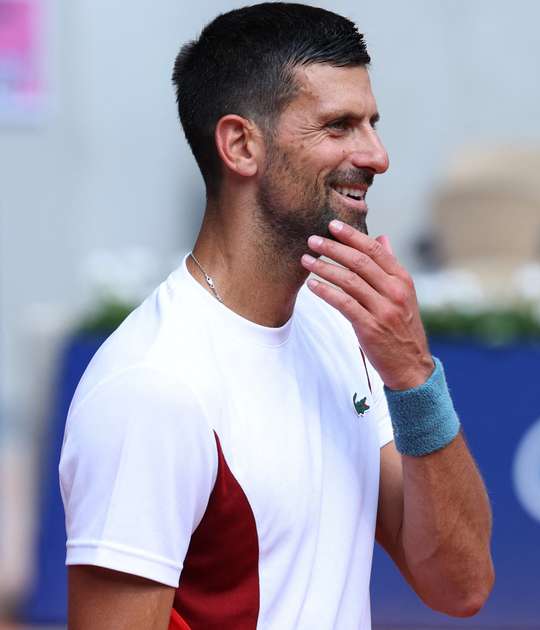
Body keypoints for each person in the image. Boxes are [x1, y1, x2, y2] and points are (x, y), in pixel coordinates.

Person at [58, 3, 494, 628]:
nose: (377, 155)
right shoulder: (151, 388)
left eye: (372, 123)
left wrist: (413, 374)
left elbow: (461, 584)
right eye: (339, 126)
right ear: (240, 145)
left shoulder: (340, 330)